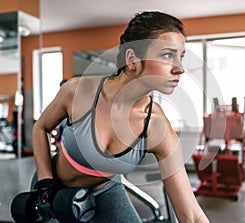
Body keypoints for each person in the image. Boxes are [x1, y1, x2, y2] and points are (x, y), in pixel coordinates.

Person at [32, 11, 210, 223]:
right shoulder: (79, 92)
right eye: (167, 55)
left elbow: (191, 214)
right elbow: (41, 128)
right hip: (54, 188)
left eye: (180, 57)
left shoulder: (156, 126)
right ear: (132, 59)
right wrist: (44, 182)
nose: (179, 68)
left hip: (104, 192)